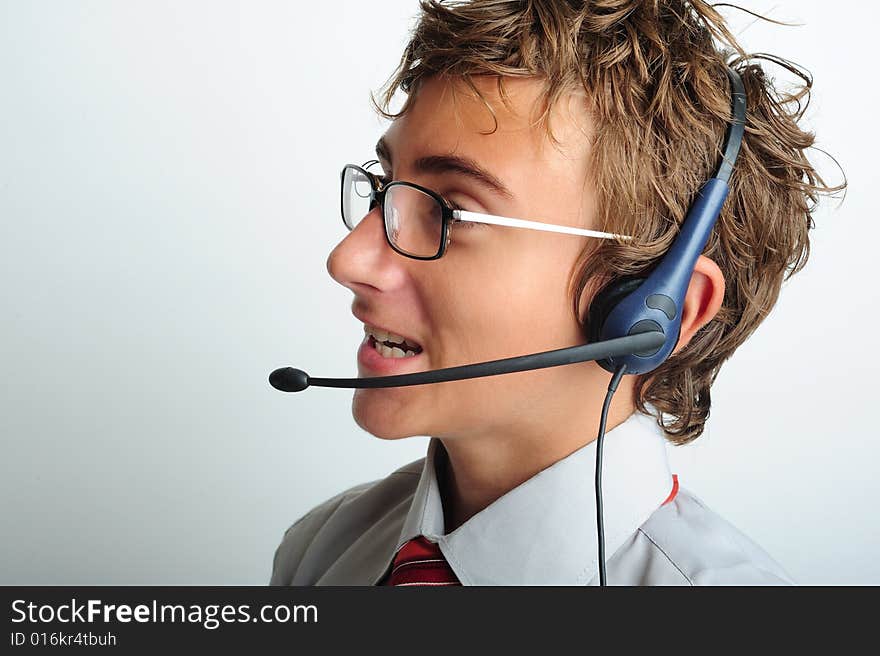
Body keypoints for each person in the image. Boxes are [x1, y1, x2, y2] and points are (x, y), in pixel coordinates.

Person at [270, 0, 841, 585]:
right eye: (384, 189)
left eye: (453, 213)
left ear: (656, 309)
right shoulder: (322, 547)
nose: (348, 260)